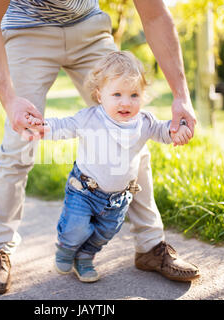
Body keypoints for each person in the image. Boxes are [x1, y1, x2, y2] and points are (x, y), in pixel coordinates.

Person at [0, 0, 199, 294]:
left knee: (131, 133)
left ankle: (150, 246)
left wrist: (182, 94)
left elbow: (155, 14)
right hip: (28, 31)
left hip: (88, 28)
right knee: (20, 140)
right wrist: (9, 99)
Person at [26, 51, 194, 283]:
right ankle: (66, 248)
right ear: (99, 95)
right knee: (76, 228)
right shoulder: (90, 118)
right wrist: (43, 128)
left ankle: (85, 258)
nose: (126, 102)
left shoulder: (145, 122)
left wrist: (178, 131)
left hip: (118, 198)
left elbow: (164, 131)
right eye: (117, 94)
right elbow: (64, 125)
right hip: (84, 190)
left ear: (143, 96)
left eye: (134, 94)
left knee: (104, 233)